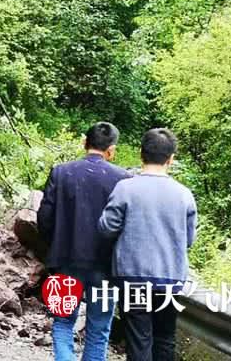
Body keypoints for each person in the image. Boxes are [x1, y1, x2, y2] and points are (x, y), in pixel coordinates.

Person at [98, 128, 197, 361]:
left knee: (139, 340)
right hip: (170, 279)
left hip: (132, 277)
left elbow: (106, 228)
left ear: (141, 154)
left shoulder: (125, 188)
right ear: (171, 159)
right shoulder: (184, 194)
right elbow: (188, 240)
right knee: (165, 338)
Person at [37, 121, 131, 361]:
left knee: (62, 323)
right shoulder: (123, 179)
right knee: (99, 330)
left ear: (84, 143)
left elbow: (44, 217)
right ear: (111, 150)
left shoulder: (61, 171)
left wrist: (55, 245)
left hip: (65, 262)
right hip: (106, 266)